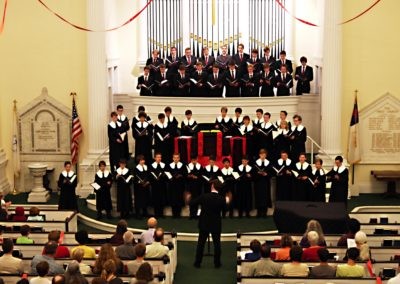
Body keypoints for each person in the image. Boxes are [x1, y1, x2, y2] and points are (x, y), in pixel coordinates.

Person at [191, 179, 227, 268]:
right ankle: (217, 263)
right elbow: (225, 212)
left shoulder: (204, 196)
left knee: (201, 244)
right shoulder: (222, 199)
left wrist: (189, 198)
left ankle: (197, 263)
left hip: (204, 223)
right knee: (217, 244)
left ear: (212, 186)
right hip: (216, 224)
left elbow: (192, 203)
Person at [253, 149, 273, 217]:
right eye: (261, 154)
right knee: (258, 196)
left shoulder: (269, 163)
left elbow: (271, 173)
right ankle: (259, 212)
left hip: (265, 182)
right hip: (258, 182)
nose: (263, 155)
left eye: (264, 154)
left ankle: (264, 212)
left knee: (265, 197)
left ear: (266, 155)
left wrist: (266, 174)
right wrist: (258, 173)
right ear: (259, 155)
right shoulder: (256, 163)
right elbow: (253, 174)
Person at [168, 153, 186, 218]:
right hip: (172, 185)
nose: (176, 159)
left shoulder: (183, 165)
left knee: (179, 198)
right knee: (173, 198)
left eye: (177, 157)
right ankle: (174, 214)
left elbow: (185, 174)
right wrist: (170, 177)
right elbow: (167, 173)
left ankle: (178, 214)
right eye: (174, 158)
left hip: (180, 185)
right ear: (173, 158)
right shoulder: (169, 165)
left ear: (179, 158)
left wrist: (181, 175)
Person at [150, 153, 167, 217]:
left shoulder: (164, 165)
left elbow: (166, 173)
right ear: (155, 158)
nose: (159, 158)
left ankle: (161, 213)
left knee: (162, 198)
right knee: (155, 199)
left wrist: (164, 175)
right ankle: (156, 213)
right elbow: (150, 174)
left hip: (162, 184)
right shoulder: (152, 165)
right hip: (155, 185)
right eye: (157, 157)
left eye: (160, 157)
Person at [134, 155, 151, 219]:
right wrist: (140, 182)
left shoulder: (146, 167)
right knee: (139, 200)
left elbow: (148, 176)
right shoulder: (136, 168)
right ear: (138, 161)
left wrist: (147, 182)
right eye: (141, 160)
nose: (142, 161)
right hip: (139, 187)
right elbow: (135, 178)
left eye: (143, 160)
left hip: (146, 186)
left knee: (145, 199)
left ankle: (145, 212)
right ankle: (138, 214)